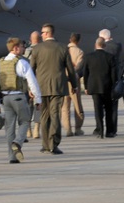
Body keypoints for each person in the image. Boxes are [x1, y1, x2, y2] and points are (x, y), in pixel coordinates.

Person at [29, 23, 78, 155]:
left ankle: (45, 145)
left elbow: (31, 69)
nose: (41, 35)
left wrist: (30, 87)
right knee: (55, 114)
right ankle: (53, 144)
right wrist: (74, 85)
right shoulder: (62, 47)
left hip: (41, 87)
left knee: (44, 116)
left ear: (48, 33)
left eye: (43, 32)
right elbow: (70, 69)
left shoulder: (37, 49)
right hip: (58, 87)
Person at [0, 37, 42, 164]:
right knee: (25, 121)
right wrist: (38, 98)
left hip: (6, 99)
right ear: (15, 48)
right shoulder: (22, 63)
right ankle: (18, 142)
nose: (24, 48)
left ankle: (12, 157)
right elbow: (32, 81)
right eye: (22, 46)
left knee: (9, 128)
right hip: (19, 97)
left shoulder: (0, 63)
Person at [82, 37, 116, 138]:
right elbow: (113, 74)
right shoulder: (110, 57)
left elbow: (85, 73)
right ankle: (109, 131)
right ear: (104, 45)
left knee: (98, 110)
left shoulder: (89, 57)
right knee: (109, 110)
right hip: (107, 87)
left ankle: (100, 130)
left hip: (94, 87)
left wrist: (86, 86)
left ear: (95, 45)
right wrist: (113, 86)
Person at [99, 28, 123, 134]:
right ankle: (113, 129)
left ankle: (100, 128)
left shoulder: (102, 47)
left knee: (101, 106)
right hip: (114, 79)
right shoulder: (117, 46)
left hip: (103, 79)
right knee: (113, 106)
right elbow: (117, 44)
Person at [62, 32, 85, 137]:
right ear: (79, 41)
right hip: (74, 81)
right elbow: (79, 67)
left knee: (65, 107)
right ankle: (78, 128)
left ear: (70, 39)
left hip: (64, 81)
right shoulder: (80, 52)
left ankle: (68, 129)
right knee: (77, 106)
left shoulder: (63, 50)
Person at [24, 30, 41, 138]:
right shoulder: (43, 50)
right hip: (39, 81)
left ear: (31, 40)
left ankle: (28, 129)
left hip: (27, 82)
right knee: (38, 105)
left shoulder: (26, 51)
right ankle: (36, 129)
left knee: (27, 106)